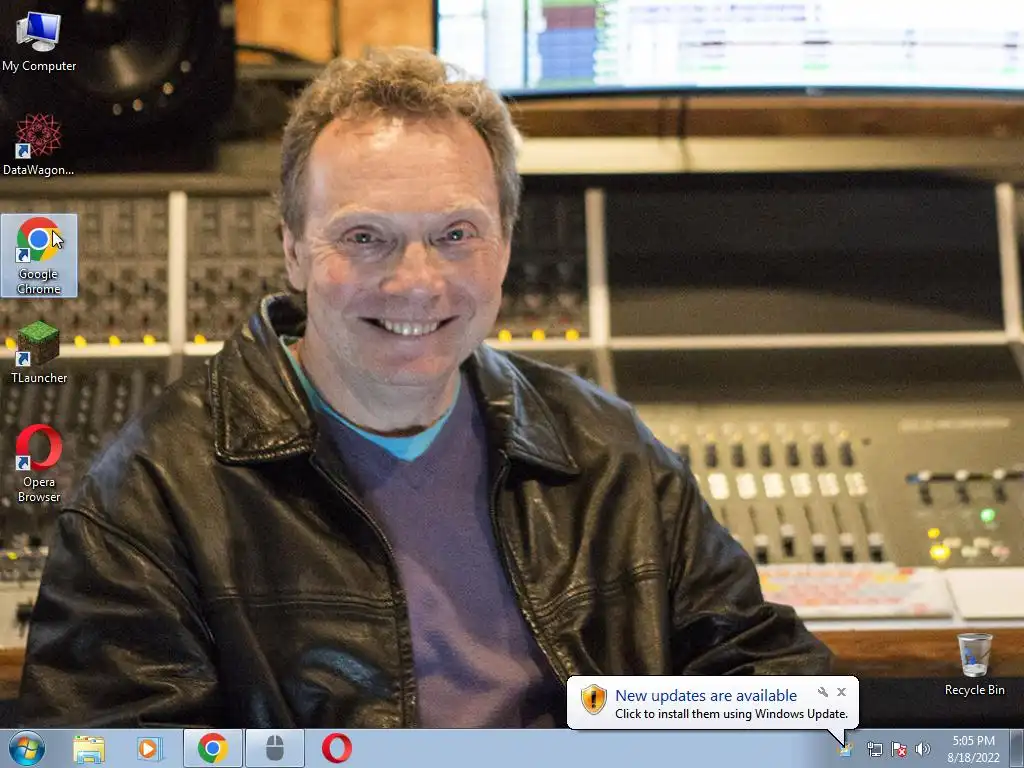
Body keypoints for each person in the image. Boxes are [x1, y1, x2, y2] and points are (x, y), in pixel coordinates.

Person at [18, 47, 831, 728]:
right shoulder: (152, 494)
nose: (417, 283)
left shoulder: (613, 454)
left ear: (505, 246)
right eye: (365, 237)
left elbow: (776, 686)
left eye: (455, 234)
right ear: (293, 250)